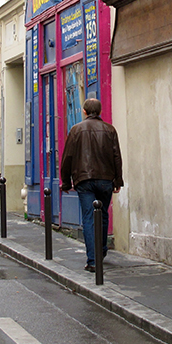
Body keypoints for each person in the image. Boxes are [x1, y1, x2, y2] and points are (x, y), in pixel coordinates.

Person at [60, 98, 123, 272]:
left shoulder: (76, 130)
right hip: (105, 179)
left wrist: (65, 182)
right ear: (100, 112)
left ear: (85, 111)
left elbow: (68, 158)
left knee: (88, 217)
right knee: (102, 214)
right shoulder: (110, 130)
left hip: (84, 179)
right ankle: (101, 250)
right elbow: (117, 156)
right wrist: (118, 180)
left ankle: (93, 260)